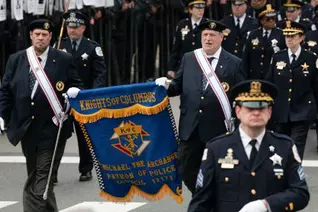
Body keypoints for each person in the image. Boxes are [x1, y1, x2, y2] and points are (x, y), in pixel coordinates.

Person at [188, 80, 310, 212]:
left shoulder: (285, 147)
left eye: (261, 107)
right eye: (250, 108)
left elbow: (300, 192)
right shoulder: (216, 148)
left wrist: (266, 205)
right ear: (238, 111)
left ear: (269, 112)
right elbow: (200, 202)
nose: (256, 113)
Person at [0, 19, 82, 212]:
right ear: (31, 36)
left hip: (52, 129)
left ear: (50, 37)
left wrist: (73, 93)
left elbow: (77, 85)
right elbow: (5, 91)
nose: (40, 38)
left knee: (40, 178)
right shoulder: (17, 59)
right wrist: (2, 115)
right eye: (37, 34)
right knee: (37, 176)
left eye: (45, 35)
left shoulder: (63, 59)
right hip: (26, 129)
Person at [156, 20, 245, 194]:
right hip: (191, 127)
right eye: (205, 35)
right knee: (186, 169)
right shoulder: (190, 58)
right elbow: (177, 87)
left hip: (219, 128)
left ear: (221, 37)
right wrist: (166, 86)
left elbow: (240, 96)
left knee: (220, 172)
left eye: (212, 35)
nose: (208, 39)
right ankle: (203, 198)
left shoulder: (234, 62)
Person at [54, 10, 107, 183]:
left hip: (83, 97)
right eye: (69, 27)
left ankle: (86, 169)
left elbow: (100, 74)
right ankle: (52, 172)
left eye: (76, 27)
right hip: (63, 99)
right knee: (58, 135)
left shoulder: (92, 47)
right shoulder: (59, 45)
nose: (72, 30)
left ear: (83, 28)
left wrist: (92, 94)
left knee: (84, 136)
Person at [266, 21, 318, 160]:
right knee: (281, 149)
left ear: (301, 38)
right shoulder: (278, 57)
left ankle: (295, 178)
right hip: (281, 112)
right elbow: (270, 84)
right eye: (287, 36)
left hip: (302, 111)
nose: (289, 39)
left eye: (293, 36)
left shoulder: (311, 58)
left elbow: (316, 86)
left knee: (296, 148)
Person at [167, 0, 209, 78]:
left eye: (202, 7)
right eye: (197, 8)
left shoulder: (208, 25)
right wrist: (171, 68)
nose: (200, 10)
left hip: (203, 67)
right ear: (190, 10)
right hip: (185, 66)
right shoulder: (182, 25)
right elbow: (176, 48)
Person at [242, 4, 286, 79]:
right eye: (268, 19)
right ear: (261, 21)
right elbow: (246, 56)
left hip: (273, 76)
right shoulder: (253, 34)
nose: (271, 21)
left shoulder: (281, 34)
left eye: (273, 18)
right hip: (255, 76)